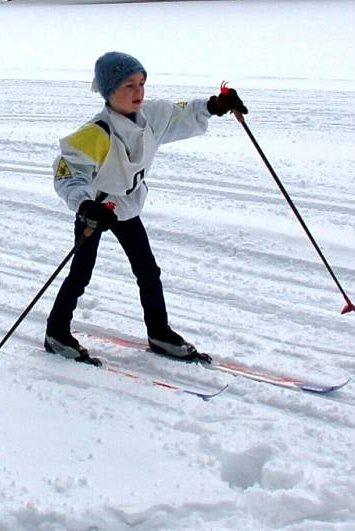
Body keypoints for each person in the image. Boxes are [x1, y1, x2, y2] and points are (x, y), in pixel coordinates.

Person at [45, 51, 247, 366]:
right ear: (109, 91)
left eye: (141, 83)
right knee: (80, 273)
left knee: (148, 272)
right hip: (97, 210)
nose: (139, 92)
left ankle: (159, 332)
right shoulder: (96, 132)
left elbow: (181, 113)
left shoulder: (151, 116)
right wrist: (84, 205)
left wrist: (214, 105)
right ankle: (56, 332)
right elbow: (68, 174)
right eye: (129, 86)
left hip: (126, 207)